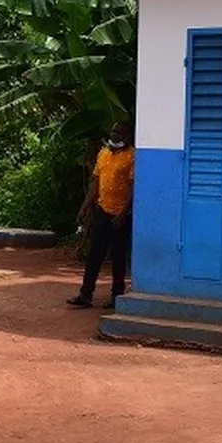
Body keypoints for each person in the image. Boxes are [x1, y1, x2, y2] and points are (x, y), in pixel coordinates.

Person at [67, 121, 135, 309]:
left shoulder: (132, 157)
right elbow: (95, 183)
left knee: (118, 255)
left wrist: (123, 212)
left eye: (119, 132)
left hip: (121, 214)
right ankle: (85, 294)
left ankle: (116, 295)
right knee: (95, 254)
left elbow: (133, 188)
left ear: (127, 135)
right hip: (102, 210)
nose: (114, 135)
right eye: (113, 131)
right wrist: (85, 206)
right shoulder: (103, 153)